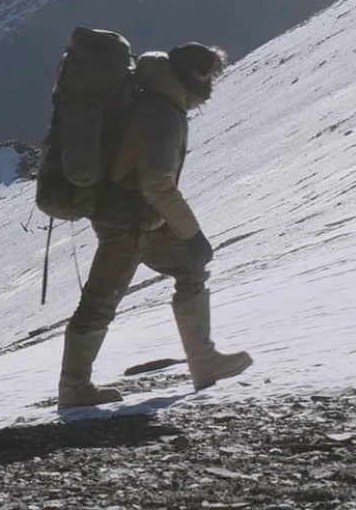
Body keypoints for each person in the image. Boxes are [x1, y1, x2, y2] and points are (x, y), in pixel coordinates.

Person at [58, 42, 253, 407]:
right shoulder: (162, 112)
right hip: (129, 219)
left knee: (191, 268)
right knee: (101, 301)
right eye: (209, 79)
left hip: (134, 214)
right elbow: (157, 183)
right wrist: (193, 234)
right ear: (194, 81)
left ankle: (204, 362)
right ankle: (73, 388)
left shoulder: (149, 97)